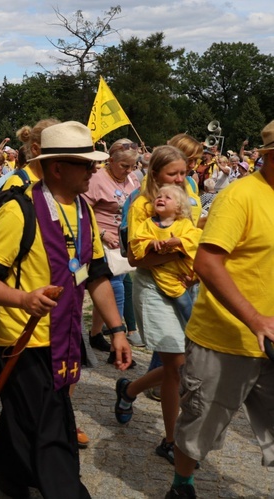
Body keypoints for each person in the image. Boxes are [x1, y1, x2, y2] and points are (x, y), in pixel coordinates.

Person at [0, 121, 132, 497]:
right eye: (86, 165)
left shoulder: (83, 210)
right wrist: (23, 299)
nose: (94, 170)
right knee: (51, 426)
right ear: (57, 167)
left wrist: (118, 330)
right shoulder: (19, 209)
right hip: (22, 341)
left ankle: (3, 469)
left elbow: (96, 276)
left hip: (64, 335)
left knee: (32, 413)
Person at [165, 121, 274, 499]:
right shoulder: (241, 196)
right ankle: (182, 486)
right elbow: (208, 264)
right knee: (199, 429)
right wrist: (256, 318)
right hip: (225, 339)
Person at [115, 145, 203, 468]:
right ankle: (170, 441)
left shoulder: (186, 194)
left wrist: (186, 258)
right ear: (155, 174)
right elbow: (136, 257)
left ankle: (129, 390)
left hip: (183, 286)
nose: (181, 179)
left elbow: (192, 238)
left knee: (176, 366)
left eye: (184, 172)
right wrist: (175, 252)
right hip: (153, 287)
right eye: (174, 173)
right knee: (177, 364)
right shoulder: (140, 205)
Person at [84, 139, 142, 350]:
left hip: (122, 245)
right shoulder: (96, 179)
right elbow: (82, 210)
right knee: (115, 287)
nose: (128, 171)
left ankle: (96, 332)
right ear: (111, 161)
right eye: (124, 166)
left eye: (132, 166)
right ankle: (117, 336)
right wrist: (101, 233)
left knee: (114, 287)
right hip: (102, 243)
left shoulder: (133, 179)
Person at [130, 184, 202, 324]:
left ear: (178, 207)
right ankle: (193, 327)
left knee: (195, 303)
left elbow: (196, 238)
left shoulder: (184, 224)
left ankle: (197, 330)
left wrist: (179, 241)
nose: (161, 199)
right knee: (183, 304)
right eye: (158, 197)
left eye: (167, 197)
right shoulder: (148, 224)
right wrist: (151, 243)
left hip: (186, 272)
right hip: (167, 276)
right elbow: (138, 241)